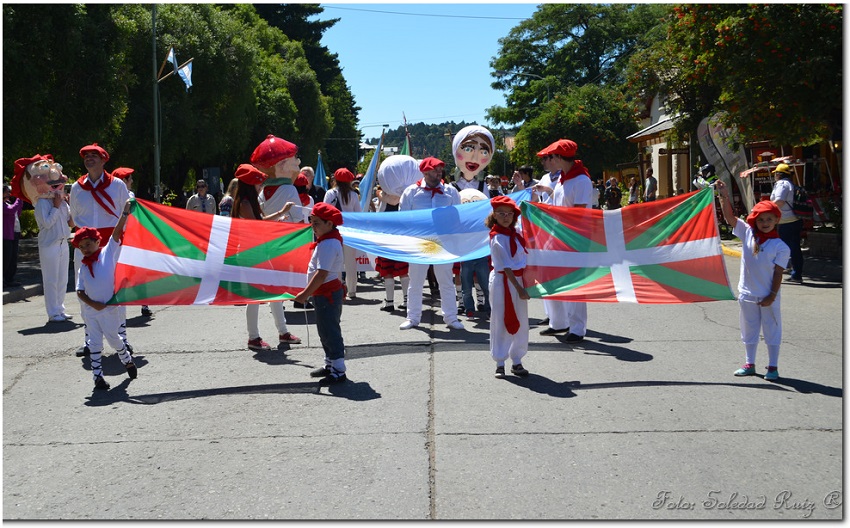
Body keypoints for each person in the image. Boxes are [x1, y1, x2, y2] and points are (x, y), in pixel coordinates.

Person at [717, 180, 790, 381]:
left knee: (771, 330)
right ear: (754, 221)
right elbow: (730, 218)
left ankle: (773, 367)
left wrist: (772, 296)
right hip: (747, 294)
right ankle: (749, 363)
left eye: (769, 219)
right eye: (760, 220)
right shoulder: (748, 233)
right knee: (749, 328)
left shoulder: (781, 246)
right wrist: (723, 194)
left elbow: (778, 274)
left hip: (768, 296)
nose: (764, 223)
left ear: (776, 220)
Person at [70, 143, 132, 357]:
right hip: (85, 246)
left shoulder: (116, 185)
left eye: (94, 155)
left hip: (111, 246)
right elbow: (76, 217)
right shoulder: (77, 188)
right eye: (86, 156)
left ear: (104, 159)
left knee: (116, 290)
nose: (89, 159)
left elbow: (127, 214)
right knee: (85, 291)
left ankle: (122, 337)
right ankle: (90, 339)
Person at [231, 163, 301, 351]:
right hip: (250, 254)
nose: (261, 186)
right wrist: (281, 213)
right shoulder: (245, 203)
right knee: (255, 297)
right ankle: (254, 337)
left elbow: (258, 224)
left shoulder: (247, 201)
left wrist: (278, 219)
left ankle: (282, 332)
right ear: (250, 184)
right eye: (257, 182)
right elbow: (257, 225)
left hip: (257, 251)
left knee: (274, 291)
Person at [73, 199, 138, 390]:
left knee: (114, 339)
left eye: (87, 244)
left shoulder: (107, 253)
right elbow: (79, 291)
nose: (85, 249)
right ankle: (97, 377)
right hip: (92, 312)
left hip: (110, 310)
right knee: (94, 344)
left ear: (97, 241)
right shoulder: (83, 268)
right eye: (81, 247)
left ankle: (126, 359)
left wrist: (125, 213)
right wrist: (92, 304)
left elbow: (117, 232)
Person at [532, 139, 593, 343]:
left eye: (552, 156)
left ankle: (577, 328)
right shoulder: (563, 179)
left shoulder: (581, 180)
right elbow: (555, 204)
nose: (549, 160)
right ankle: (558, 322)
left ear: (559, 157)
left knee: (575, 284)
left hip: (575, 239)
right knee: (551, 279)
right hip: (556, 236)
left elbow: (577, 213)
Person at [398, 157, 464, 331]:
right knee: (416, 281)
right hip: (419, 242)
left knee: (446, 281)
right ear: (425, 172)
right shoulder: (411, 192)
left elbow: (457, 217)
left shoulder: (451, 191)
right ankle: (413, 317)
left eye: (440, 169)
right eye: (435, 170)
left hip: (443, 242)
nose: (439, 172)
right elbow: (402, 217)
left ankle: (451, 317)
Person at [292, 202, 348, 385]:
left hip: (327, 294)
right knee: (324, 331)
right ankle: (330, 364)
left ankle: (338, 370)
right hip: (323, 293)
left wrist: (304, 294)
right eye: (311, 221)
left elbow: (322, 273)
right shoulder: (326, 240)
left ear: (329, 224)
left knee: (330, 331)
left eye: (316, 223)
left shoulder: (329, 244)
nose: (312, 226)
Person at [486, 196, 530, 378]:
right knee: (501, 318)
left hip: (518, 280)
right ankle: (500, 360)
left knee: (521, 320)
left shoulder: (516, 234)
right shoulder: (497, 238)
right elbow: (505, 266)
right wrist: (519, 290)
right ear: (494, 216)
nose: (506, 217)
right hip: (503, 281)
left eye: (509, 214)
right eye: (501, 214)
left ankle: (517, 359)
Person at [26, 159, 73, 322]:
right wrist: (55, 205)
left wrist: (70, 205)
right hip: (49, 245)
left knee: (62, 279)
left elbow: (70, 222)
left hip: (62, 243)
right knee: (51, 279)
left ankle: (60, 308)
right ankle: (52, 312)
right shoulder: (41, 204)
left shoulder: (61, 201)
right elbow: (46, 224)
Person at [112, 167, 153, 318]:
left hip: (125, 237)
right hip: (125, 237)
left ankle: (142, 303)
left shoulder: (117, 195)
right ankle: (140, 303)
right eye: (129, 179)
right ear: (123, 181)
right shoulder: (128, 196)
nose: (132, 181)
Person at [323, 168, 362, 299]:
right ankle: (352, 291)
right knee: (351, 263)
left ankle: (338, 289)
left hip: (334, 231)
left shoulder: (330, 193)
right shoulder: (354, 195)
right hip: (350, 232)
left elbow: (324, 211)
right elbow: (358, 214)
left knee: (336, 262)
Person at [770, 163, 804, 284]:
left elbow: (779, 200)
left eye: (776, 174)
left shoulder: (782, 184)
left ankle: (791, 273)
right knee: (794, 247)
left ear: (779, 174)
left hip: (786, 221)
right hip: (794, 219)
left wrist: (767, 207)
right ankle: (796, 272)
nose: (775, 176)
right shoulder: (790, 184)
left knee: (784, 248)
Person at [450, 125, 495, 198]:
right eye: (468, 149)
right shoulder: (451, 188)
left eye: (484, 152)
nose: (475, 158)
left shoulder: (482, 186)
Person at [3, 184, 24, 287]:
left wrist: (19, 203)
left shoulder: (7, 203)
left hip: (13, 233)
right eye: (7, 192)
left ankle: (9, 278)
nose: (9, 194)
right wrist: (19, 199)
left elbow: (16, 212)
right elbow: (11, 210)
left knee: (12, 257)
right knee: (5, 258)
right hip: (5, 235)